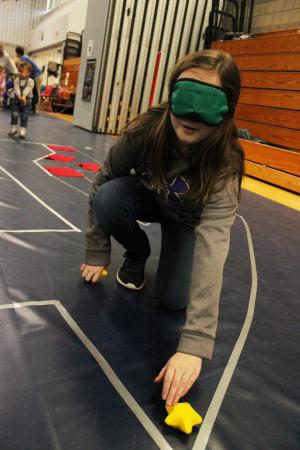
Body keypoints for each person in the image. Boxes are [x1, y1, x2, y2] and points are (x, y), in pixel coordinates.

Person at [80, 49, 244, 406]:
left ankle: (165, 257)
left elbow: (213, 244)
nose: (192, 116)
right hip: (147, 199)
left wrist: (195, 343)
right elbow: (103, 179)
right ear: (172, 95)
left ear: (227, 110)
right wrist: (97, 249)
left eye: (208, 103)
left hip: (186, 223)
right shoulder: (146, 129)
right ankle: (137, 252)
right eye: (186, 98)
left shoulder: (225, 163)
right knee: (109, 197)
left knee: (174, 300)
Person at [8, 61, 34, 139]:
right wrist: (20, 96)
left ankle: (22, 131)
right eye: (19, 71)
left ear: (28, 73)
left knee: (24, 117)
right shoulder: (16, 80)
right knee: (14, 115)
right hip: (16, 101)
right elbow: (17, 88)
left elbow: (28, 88)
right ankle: (13, 129)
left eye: (21, 71)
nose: (19, 73)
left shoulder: (30, 81)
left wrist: (24, 96)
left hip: (27, 102)